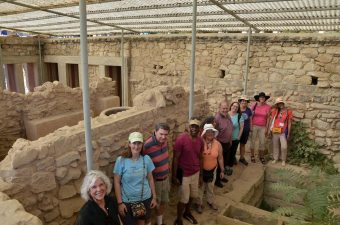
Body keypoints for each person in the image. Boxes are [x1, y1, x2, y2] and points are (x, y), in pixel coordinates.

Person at [113, 132, 157, 225]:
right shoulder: (121, 160)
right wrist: (120, 203)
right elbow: (116, 182)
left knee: (143, 222)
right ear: (129, 144)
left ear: (142, 144)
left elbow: (150, 179)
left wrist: (154, 197)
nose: (136, 146)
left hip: (145, 198)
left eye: (139, 143)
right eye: (134, 143)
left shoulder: (146, 159)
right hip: (127, 202)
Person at [172, 117, 204, 225]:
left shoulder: (200, 140)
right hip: (184, 173)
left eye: (196, 127)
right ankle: (179, 219)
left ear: (199, 129)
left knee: (193, 195)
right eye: (192, 126)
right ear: (188, 127)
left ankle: (187, 212)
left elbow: (200, 157)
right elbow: (175, 158)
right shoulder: (181, 139)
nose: (194, 128)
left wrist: (201, 176)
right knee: (183, 198)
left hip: (196, 172)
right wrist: (174, 176)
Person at [143, 123, 170, 225]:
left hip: (165, 179)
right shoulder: (147, 145)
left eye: (166, 134)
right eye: (161, 134)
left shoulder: (165, 142)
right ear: (155, 132)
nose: (163, 137)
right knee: (152, 206)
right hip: (154, 182)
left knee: (163, 202)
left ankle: (159, 223)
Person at [195, 124, 224, 214]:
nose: (210, 133)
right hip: (201, 170)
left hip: (213, 169)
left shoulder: (218, 144)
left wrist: (222, 170)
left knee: (210, 187)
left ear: (214, 133)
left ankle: (210, 201)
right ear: (204, 133)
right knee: (200, 187)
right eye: (208, 132)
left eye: (211, 132)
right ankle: (199, 203)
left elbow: (220, 157)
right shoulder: (199, 142)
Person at [267, 97, 293, 166]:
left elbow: (289, 123)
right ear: (277, 104)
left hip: (283, 132)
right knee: (275, 145)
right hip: (275, 130)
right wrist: (269, 130)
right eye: (278, 103)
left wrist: (288, 133)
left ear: (283, 103)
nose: (280, 104)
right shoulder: (275, 110)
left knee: (284, 146)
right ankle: (275, 158)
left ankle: (283, 159)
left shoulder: (288, 111)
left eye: (281, 103)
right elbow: (271, 120)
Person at [214, 100, 233, 188]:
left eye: (226, 108)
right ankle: (217, 180)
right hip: (220, 143)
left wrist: (230, 140)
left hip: (227, 143)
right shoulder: (217, 118)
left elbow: (230, 127)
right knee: (219, 162)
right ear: (219, 108)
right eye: (223, 108)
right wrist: (217, 144)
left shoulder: (227, 115)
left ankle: (222, 176)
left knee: (224, 161)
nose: (225, 110)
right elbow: (214, 132)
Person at [250, 92, 271, 164]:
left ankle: (261, 156)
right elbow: (250, 116)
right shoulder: (254, 105)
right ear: (258, 98)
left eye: (263, 97)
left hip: (263, 127)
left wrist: (267, 128)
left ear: (265, 99)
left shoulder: (268, 107)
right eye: (261, 97)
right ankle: (252, 156)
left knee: (262, 142)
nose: (262, 98)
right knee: (252, 141)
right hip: (254, 126)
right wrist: (251, 126)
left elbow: (268, 118)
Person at [225, 102, 244, 175]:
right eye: (234, 106)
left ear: (238, 108)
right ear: (231, 106)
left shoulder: (239, 116)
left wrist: (238, 137)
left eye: (236, 107)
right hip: (226, 138)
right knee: (226, 153)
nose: (235, 108)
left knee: (232, 153)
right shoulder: (226, 114)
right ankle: (224, 167)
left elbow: (242, 127)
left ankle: (229, 167)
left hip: (235, 138)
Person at [238, 96, 253, 166]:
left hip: (245, 129)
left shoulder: (248, 110)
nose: (244, 102)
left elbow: (250, 119)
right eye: (242, 101)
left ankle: (242, 158)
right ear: (240, 102)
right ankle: (232, 158)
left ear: (247, 103)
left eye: (245, 101)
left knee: (243, 144)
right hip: (237, 130)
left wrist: (251, 127)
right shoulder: (237, 109)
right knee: (234, 144)